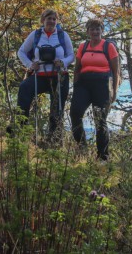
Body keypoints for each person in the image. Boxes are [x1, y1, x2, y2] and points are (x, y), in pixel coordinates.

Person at [16, 9, 74, 141]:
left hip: (59, 76)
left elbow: (71, 55)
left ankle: (53, 139)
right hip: (40, 75)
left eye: (54, 19)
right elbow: (21, 52)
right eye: (49, 18)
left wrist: (63, 62)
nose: (52, 21)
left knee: (57, 108)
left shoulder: (62, 35)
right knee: (24, 88)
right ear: (43, 20)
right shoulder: (35, 34)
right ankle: (22, 130)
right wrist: (30, 65)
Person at [70, 18, 120, 160]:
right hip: (84, 84)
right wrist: (76, 86)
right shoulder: (83, 46)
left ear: (102, 31)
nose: (95, 31)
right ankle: (82, 147)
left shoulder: (108, 47)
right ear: (87, 31)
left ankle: (102, 156)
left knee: (100, 120)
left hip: (102, 84)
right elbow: (77, 69)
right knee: (75, 113)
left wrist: (114, 91)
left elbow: (116, 72)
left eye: (98, 29)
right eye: (92, 29)